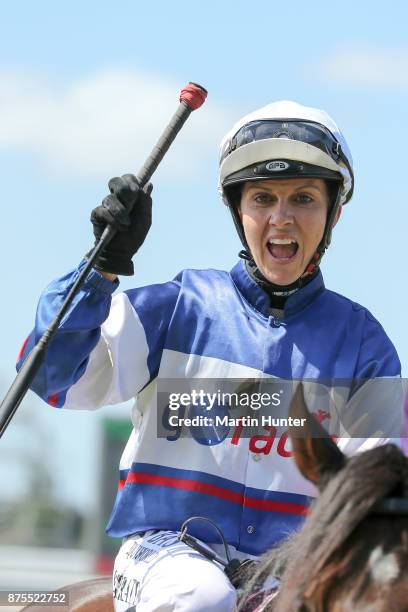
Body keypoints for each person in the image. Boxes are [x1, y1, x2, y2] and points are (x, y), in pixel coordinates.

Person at [18, 100, 401, 611]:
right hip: (164, 555)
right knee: (202, 598)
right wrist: (100, 270)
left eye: (304, 198)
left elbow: (383, 489)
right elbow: (54, 379)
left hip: (291, 566)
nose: (281, 218)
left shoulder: (364, 346)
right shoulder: (175, 308)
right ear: (237, 209)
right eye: (262, 198)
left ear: (334, 212)